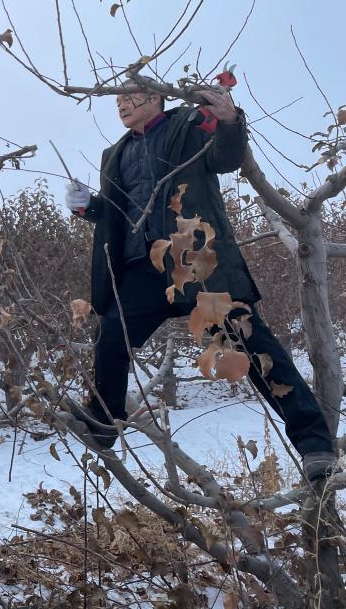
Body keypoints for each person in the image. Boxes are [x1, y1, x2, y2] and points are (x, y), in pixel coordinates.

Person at [65, 85, 335, 482]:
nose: (121, 104)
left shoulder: (188, 125)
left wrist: (230, 121)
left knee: (251, 343)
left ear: (154, 98)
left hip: (197, 262)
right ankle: (104, 422)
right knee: (111, 332)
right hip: (141, 266)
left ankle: (314, 444)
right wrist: (89, 207)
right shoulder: (115, 154)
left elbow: (226, 158)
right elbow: (119, 214)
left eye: (129, 97)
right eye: (117, 100)